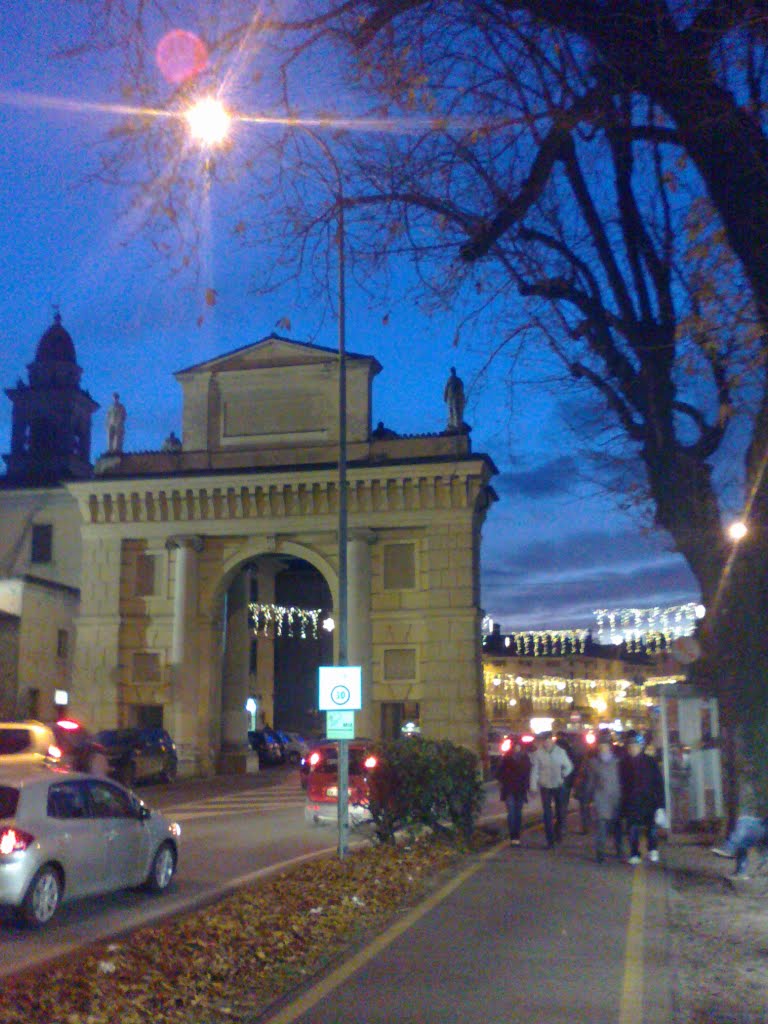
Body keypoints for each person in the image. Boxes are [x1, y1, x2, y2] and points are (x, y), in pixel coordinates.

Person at [619, 730, 665, 865]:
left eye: (634, 745)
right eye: (629, 746)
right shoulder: (624, 764)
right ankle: (634, 853)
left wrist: (661, 804)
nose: (632, 748)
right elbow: (622, 784)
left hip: (649, 800)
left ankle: (653, 849)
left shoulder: (650, 762)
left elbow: (658, 783)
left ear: (640, 746)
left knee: (651, 827)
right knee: (633, 828)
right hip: (631, 801)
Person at [529, 731, 573, 848]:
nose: (546, 743)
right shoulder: (538, 754)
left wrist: (564, 774)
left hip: (558, 784)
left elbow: (568, 766)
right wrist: (533, 786)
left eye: (548, 740)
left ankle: (558, 832)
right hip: (545, 786)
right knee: (547, 814)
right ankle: (550, 840)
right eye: (544, 740)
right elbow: (535, 771)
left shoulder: (560, 752)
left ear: (552, 740)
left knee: (559, 811)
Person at [585, 731, 623, 863]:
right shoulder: (593, 763)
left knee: (616, 826)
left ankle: (619, 850)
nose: (603, 747)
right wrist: (588, 797)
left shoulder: (618, 762)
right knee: (601, 827)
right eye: (601, 745)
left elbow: (623, 780)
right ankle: (600, 853)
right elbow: (591, 781)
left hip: (616, 798)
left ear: (610, 746)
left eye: (605, 744)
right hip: (600, 798)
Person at [496, 738, 532, 845]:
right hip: (509, 789)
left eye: (518, 746)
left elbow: (528, 773)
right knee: (512, 813)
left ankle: (516, 835)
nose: (517, 748)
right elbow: (499, 773)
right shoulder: (506, 758)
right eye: (515, 745)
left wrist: (527, 786)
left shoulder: (525, 758)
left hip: (520, 789)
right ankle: (513, 836)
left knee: (518, 813)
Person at [443, 366, 465, 432]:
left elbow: (461, 389)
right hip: (450, 398)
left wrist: (460, 397)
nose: (452, 372)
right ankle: (451, 424)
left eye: (453, 371)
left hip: (456, 397)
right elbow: (446, 388)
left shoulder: (458, 380)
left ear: (455, 372)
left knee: (455, 410)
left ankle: (456, 424)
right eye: (451, 371)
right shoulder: (449, 380)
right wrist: (445, 396)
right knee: (450, 410)